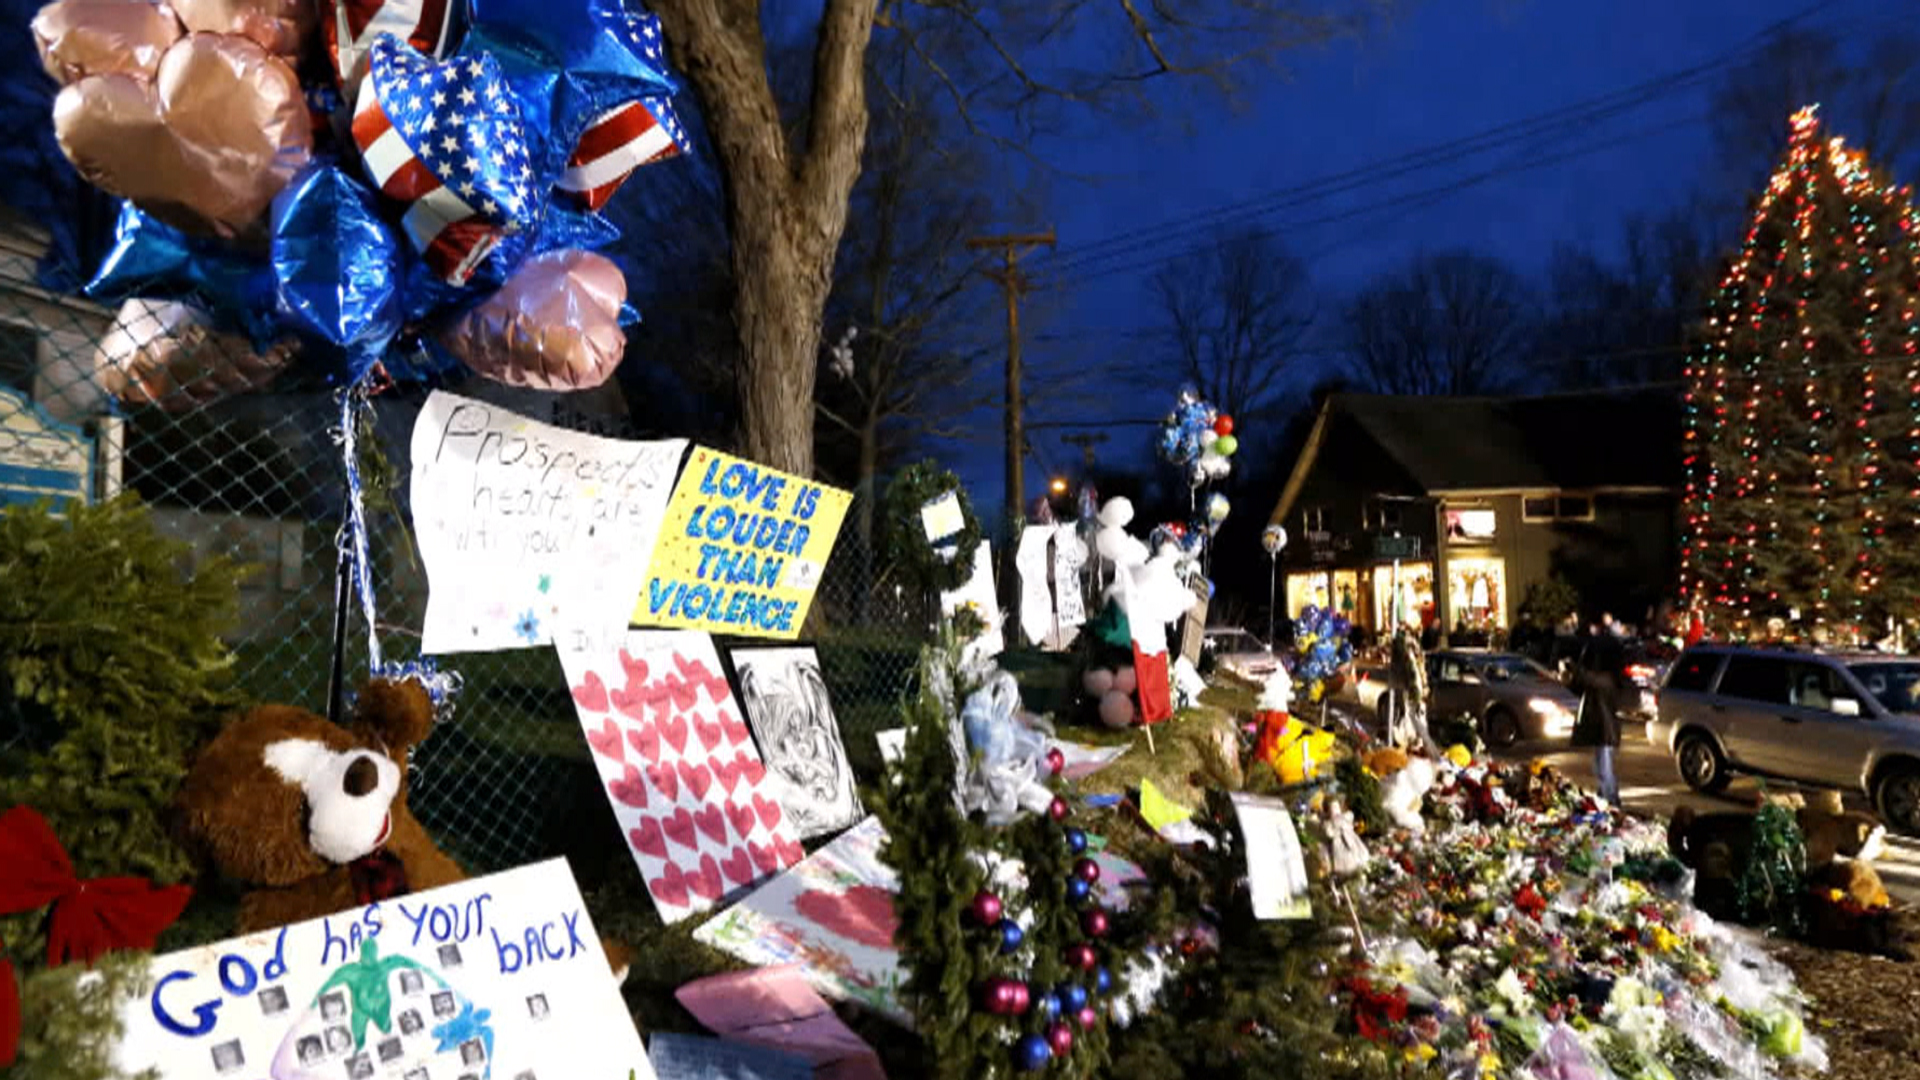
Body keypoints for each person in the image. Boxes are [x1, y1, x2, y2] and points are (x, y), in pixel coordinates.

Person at [1572, 622, 1626, 806]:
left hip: (1605, 726)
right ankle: (1607, 794)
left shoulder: (1608, 680)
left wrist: (1580, 671)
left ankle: (1610, 797)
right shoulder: (1608, 679)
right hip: (1602, 726)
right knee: (1600, 765)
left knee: (1603, 766)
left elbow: (1592, 680)